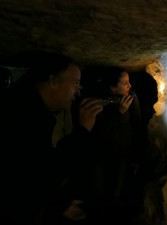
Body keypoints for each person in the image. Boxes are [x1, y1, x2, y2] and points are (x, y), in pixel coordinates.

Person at [0, 51, 103, 225]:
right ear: (53, 81)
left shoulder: (30, 106)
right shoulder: (23, 115)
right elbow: (30, 176)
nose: (78, 91)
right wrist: (83, 130)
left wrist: (57, 203)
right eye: (76, 83)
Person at [69, 67, 147, 225]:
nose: (129, 86)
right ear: (112, 87)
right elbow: (99, 132)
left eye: (129, 82)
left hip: (122, 155)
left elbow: (137, 127)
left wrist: (137, 155)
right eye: (125, 83)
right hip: (100, 155)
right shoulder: (97, 102)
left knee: (116, 193)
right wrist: (120, 113)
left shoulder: (131, 99)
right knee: (97, 192)